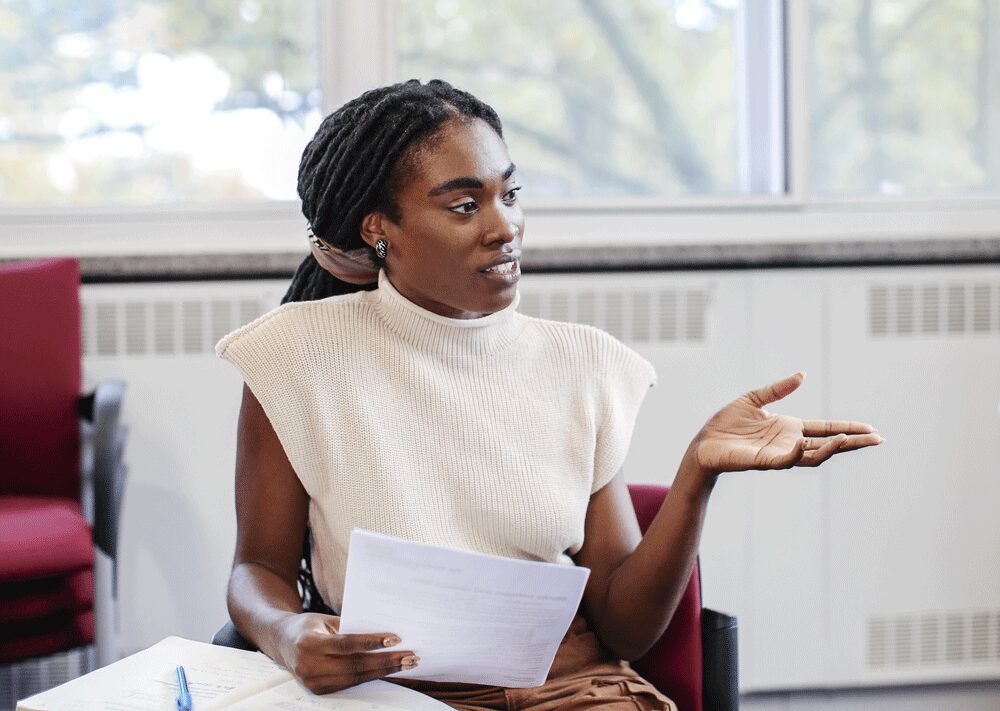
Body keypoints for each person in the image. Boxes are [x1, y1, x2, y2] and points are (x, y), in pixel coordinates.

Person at [215, 79, 883, 711]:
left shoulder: (582, 362)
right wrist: (285, 632)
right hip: (398, 693)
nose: (504, 226)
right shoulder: (296, 356)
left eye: (510, 194)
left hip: (573, 688)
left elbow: (624, 629)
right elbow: (258, 566)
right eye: (463, 204)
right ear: (377, 228)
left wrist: (697, 474)